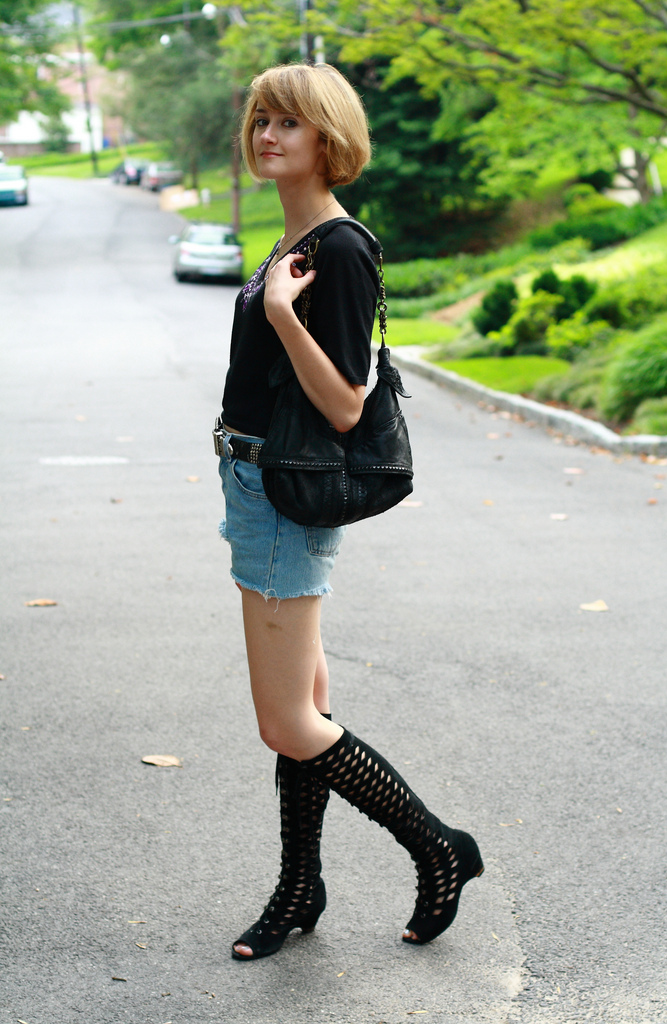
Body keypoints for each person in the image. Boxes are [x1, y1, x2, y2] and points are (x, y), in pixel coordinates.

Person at [216, 62, 483, 962]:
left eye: (287, 122)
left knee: (288, 722)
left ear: (327, 137)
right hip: (256, 485)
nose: (267, 134)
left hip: (283, 496)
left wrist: (285, 318)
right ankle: (300, 886)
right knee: (310, 701)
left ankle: (438, 847)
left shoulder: (336, 250)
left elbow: (340, 406)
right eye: (260, 118)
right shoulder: (295, 241)